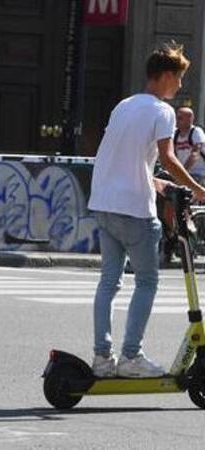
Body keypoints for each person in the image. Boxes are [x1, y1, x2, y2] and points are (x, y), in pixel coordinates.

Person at [88, 42, 205, 378]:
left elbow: (124, 158)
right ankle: (131, 357)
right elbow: (168, 157)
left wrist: (154, 182)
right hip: (133, 210)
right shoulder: (161, 111)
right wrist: (197, 189)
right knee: (148, 281)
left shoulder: (123, 106)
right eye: (179, 78)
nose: (181, 85)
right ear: (166, 75)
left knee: (108, 282)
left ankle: (102, 358)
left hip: (104, 204)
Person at [173, 106, 205, 183]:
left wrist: (182, 172)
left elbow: (195, 154)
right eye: (176, 117)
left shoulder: (196, 131)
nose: (176, 120)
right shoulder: (175, 133)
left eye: (180, 118)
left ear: (190, 119)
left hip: (200, 173)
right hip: (185, 173)